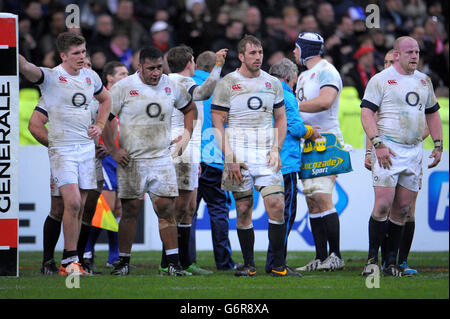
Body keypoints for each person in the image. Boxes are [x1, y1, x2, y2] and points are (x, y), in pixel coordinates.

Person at [20, 32, 111, 275]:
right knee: (69, 203)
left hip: (86, 151)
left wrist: (100, 126)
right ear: (63, 56)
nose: (82, 57)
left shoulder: (91, 77)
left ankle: (70, 261)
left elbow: (106, 99)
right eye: (76, 53)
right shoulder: (51, 77)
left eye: (84, 52)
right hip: (63, 151)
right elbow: (28, 68)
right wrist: (10, 49)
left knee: (79, 207)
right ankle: (62, 261)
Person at [211, 35, 300, 277]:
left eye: (260, 52)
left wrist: (276, 149)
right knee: (243, 209)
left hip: (265, 155)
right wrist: (228, 155)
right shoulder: (228, 83)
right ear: (241, 56)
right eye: (252, 53)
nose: (258, 57)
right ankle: (249, 265)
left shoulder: (273, 83)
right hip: (237, 155)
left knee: (277, 205)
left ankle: (278, 266)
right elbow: (217, 120)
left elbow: (281, 119)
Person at [106, 46, 197, 276]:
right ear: (140, 67)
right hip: (132, 159)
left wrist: (185, 137)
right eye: (151, 68)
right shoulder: (124, 87)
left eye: (159, 67)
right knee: (130, 210)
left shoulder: (171, 85)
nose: (156, 73)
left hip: (160, 157)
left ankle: (173, 264)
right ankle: (123, 262)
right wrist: (113, 151)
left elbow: (190, 109)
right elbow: (104, 117)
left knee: (166, 209)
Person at [361, 36, 443, 277]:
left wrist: (437, 145)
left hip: (414, 151)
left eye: (417, 52)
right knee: (383, 204)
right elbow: (367, 114)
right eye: (409, 52)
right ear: (396, 55)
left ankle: (390, 263)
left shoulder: (424, 81)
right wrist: (377, 144)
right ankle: (371, 260)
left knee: (403, 208)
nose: (415, 56)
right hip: (389, 149)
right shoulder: (381, 80)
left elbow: (433, 115)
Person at [159, 45, 227, 275]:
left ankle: (185, 262)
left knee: (187, 208)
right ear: (190, 62)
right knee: (178, 208)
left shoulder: (168, 81)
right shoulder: (182, 82)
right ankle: (170, 262)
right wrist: (218, 66)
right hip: (181, 147)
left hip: (190, 149)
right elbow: (205, 92)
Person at [293, 32, 346, 272]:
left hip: (327, 140)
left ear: (305, 49)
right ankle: (320, 257)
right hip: (308, 141)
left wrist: (291, 106)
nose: (294, 52)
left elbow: (325, 101)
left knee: (323, 197)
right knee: (312, 201)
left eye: (296, 48)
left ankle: (336, 256)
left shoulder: (328, 70)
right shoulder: (303, 75)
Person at [265, 58, 321, 274]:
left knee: (276, 214)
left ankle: (273, 262)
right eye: (295, 81)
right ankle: (277, 263)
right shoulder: (286, 95)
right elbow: (295, 128)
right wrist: (311, 132)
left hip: (267, 158)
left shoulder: (265, 92)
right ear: (288, 78)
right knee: (286, 215)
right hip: (286, 162)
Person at [191, 50, 237, 271]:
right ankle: (224, 262)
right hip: (214, 158)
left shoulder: (185, 84)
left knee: (186, 212)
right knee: (219, 210)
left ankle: (185, 260)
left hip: (189, 158)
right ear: (213, 68)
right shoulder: (221, 88)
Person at [83, 61, 129, 269]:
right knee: (106, 208)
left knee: (117, 208)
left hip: (121, 157)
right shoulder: (102, 99)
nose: (126, 76)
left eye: (127, 73)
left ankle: (113, 257)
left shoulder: (125, 97)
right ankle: (87, 251)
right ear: (109, 78)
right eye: (121, 73)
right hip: (107, 157)